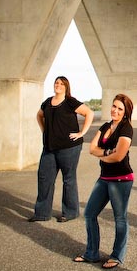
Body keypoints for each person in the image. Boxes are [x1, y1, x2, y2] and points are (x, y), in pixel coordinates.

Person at [73, 94, 135, 269]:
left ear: (126, 112)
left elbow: (119, 157)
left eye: (120, 108)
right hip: (104, 177)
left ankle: (117, 256)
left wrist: (104, 154)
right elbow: (91, 148)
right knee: (89, 214)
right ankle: (92, 253)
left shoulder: (126, 129)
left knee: (120, 218)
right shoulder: (106, 126)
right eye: (114, 106)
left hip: (121, 179)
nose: (115, 110)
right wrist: (108, 153)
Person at [29, 76, 94, 223]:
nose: (58, 85)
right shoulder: (47, 102)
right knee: (44, 178)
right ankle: (42, 214)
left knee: (68, 179)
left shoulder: (70, 101)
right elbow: (39, 115)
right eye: (56, 83)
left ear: (66, 87)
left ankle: (70, 212)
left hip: (69, 147)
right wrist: (44, 130)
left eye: (61, 83)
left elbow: (89, 113)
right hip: (49, 148)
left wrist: (81, 133)